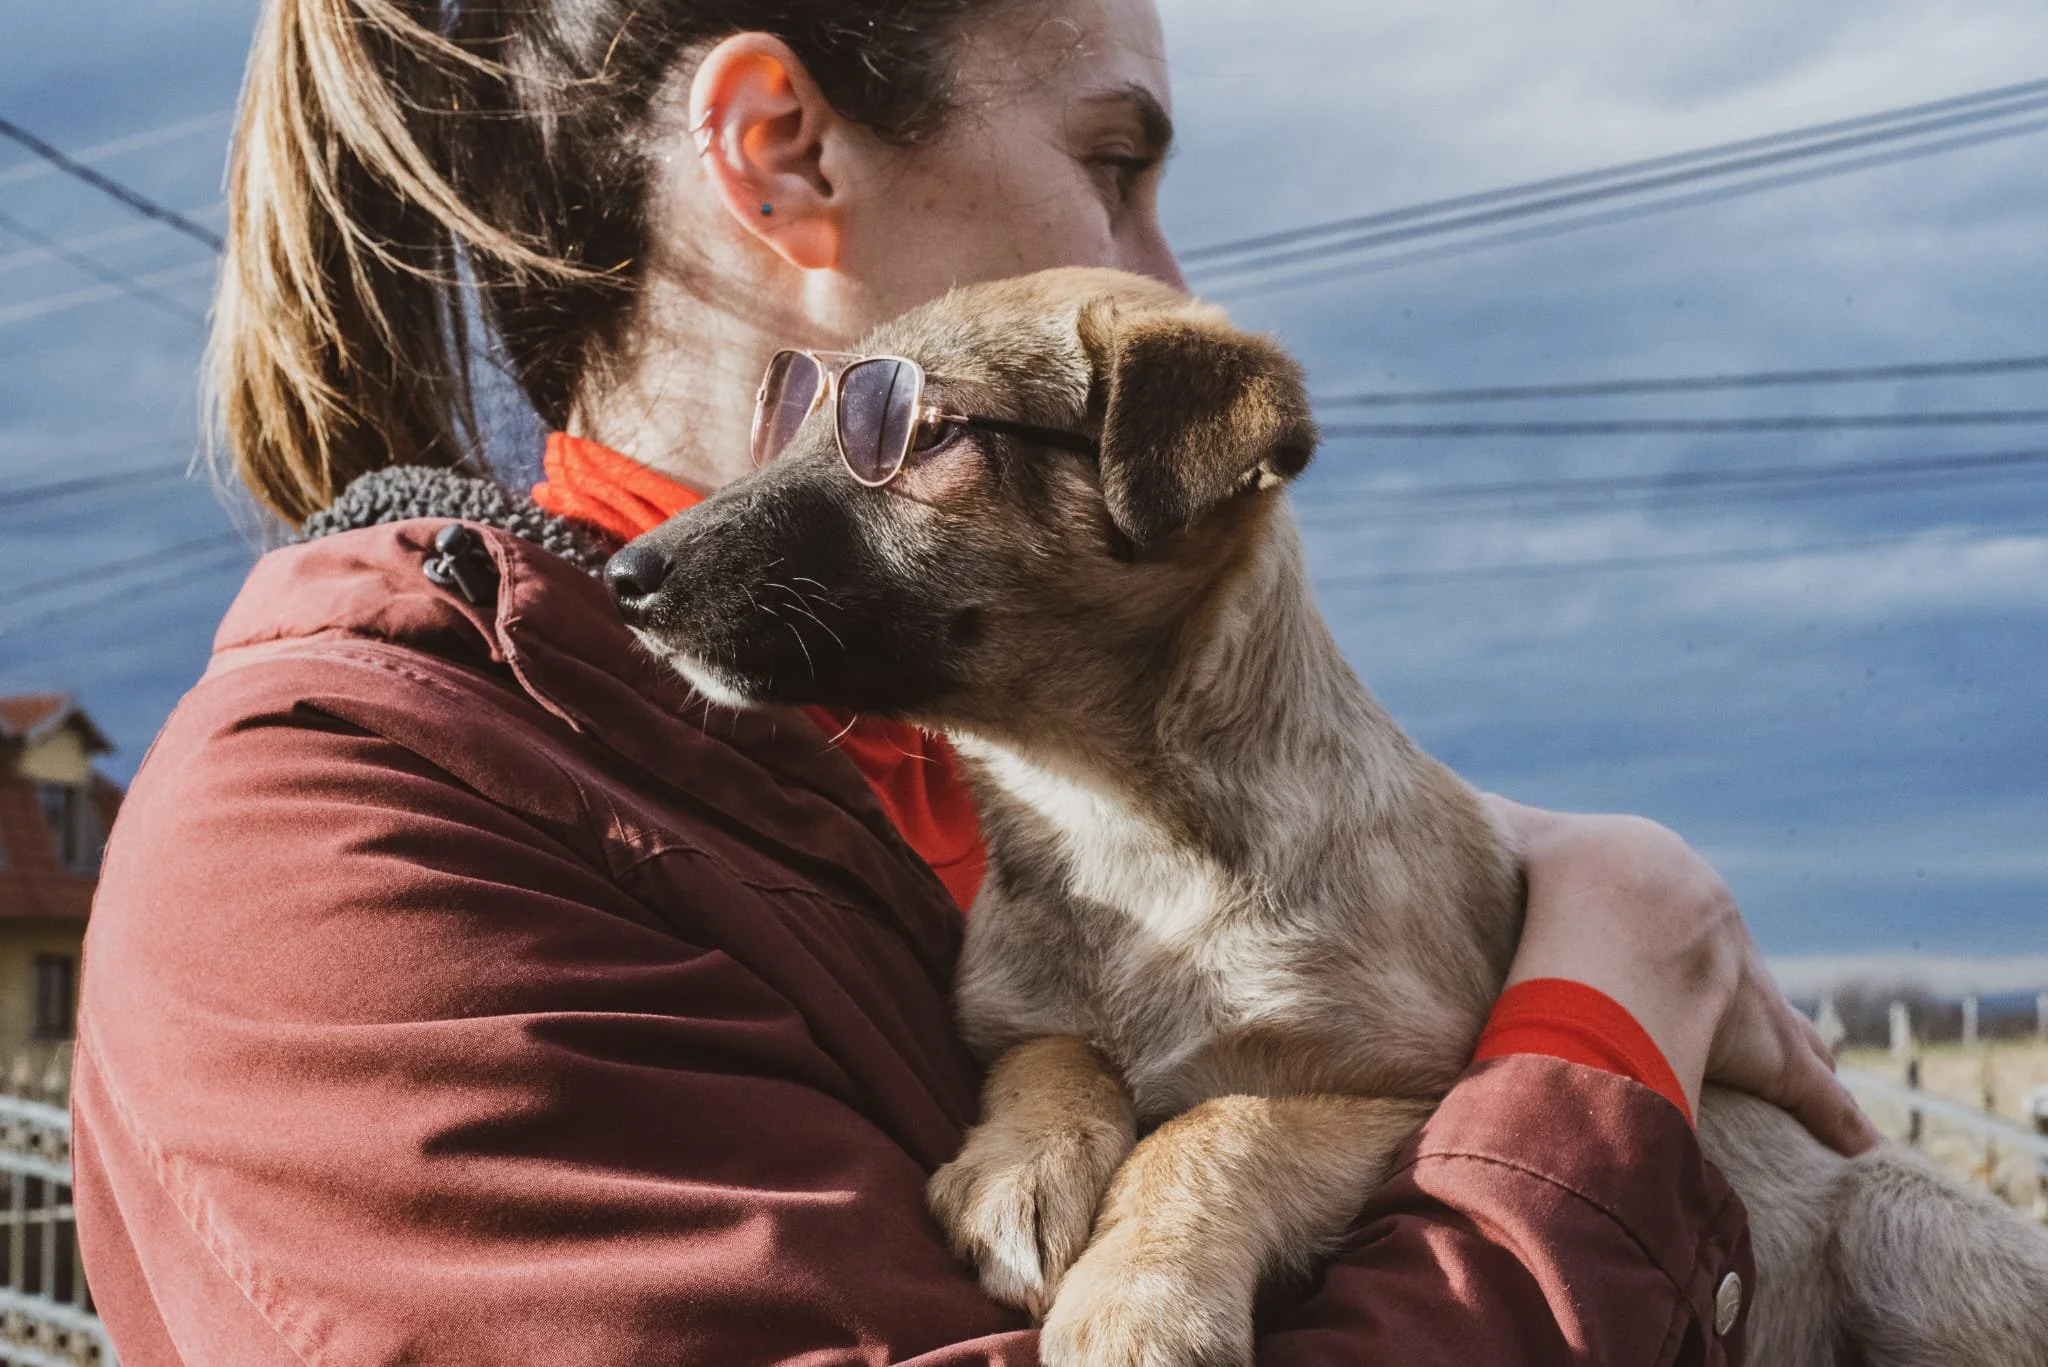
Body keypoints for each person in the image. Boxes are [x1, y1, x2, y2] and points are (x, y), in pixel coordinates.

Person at [73, 0, 1878, 1362]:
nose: (1159, 273)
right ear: (779, 145)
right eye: (1115, 163)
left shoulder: (954, 761)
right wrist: (1595, 1034)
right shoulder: (335, 847)